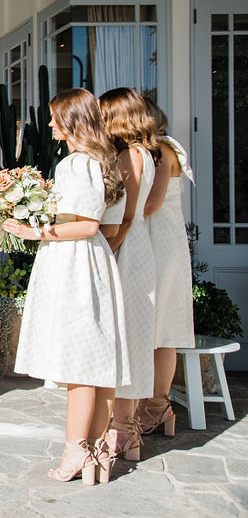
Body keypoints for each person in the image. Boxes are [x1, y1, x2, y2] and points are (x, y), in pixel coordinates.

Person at [4, 87, 129, 486]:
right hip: (96, 260)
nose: (52, 125)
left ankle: (76, 448)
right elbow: (109, 228)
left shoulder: (75, 164)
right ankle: (97, 448)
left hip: (73, 264)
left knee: (79, 362)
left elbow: (87, 225)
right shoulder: (105, 161)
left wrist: (32, 229)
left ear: (72, 121)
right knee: (98, 361)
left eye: (56, 118)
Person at [100, 87, 159, 462]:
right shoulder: (146, 153)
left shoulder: (128, 156)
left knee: (125, 341)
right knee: (134, 338)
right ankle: (128, 432)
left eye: (104, 114)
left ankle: (122, 432)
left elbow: (126, 215)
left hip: (128, 250)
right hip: (140, 248)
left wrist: (106, 252)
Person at [140, 98, 194, 438]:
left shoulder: (163, 150)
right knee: (149, 327)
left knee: (163, 329)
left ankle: (159, 405)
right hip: (148, 242)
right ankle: (147, 403)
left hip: (162, 243)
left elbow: (153, 203)